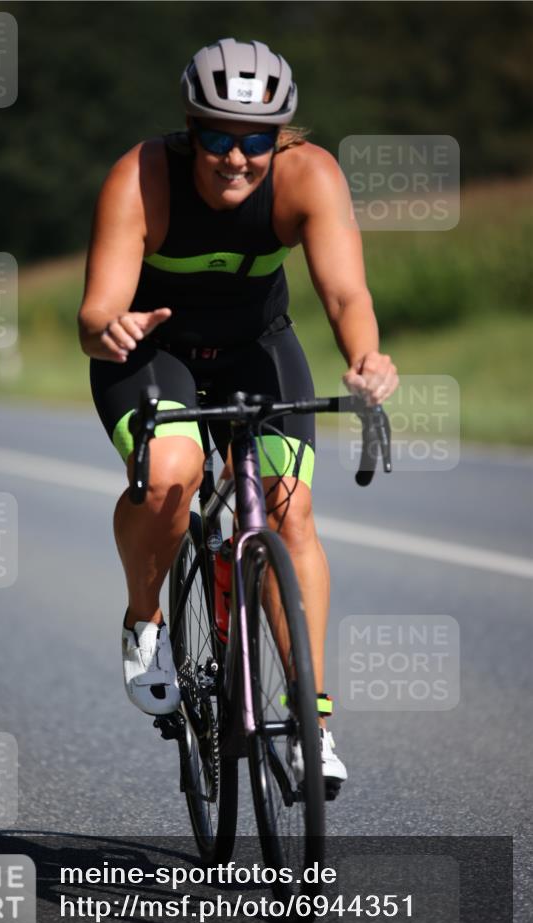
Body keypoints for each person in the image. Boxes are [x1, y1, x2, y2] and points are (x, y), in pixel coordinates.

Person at [78, 38, 399, 794]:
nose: (233, 157)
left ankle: (309, 726)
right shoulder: (141, 176)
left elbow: (347, 296)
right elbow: (96, 311)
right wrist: (109, 330)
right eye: (215, 137)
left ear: (278, 139)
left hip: (257, 346)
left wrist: (366, 360)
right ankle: (144, 622)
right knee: (172, 472)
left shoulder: (309, 175)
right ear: (190, 131)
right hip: (151, 351)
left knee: (291, 514)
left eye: (254, 140)